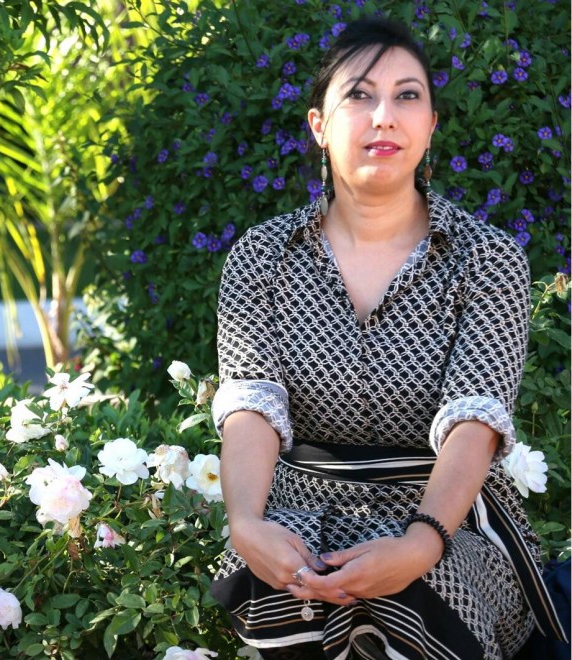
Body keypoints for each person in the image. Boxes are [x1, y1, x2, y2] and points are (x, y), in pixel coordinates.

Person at [208, 16, 566, 660]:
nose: (385, 116)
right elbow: (250, 406)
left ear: (430, 125)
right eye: (359, 95)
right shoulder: (261, 257)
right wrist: (247, 524)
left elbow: (475, 420)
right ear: (318, 125)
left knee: (422, 594)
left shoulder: (487, 259)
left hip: (449, 521)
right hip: (303, 507)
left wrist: (420, 543)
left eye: (407, 96)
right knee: (270, 583)